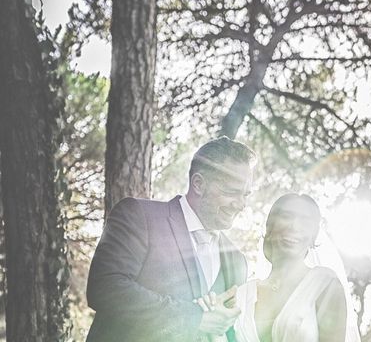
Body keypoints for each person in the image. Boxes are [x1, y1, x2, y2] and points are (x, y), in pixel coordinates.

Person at [86, 136, 257, 342]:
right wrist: (194, 318)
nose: (240, 204)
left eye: (246, 195)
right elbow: (105, 287)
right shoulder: (140, 216)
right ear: (198, 184)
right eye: (232, 192)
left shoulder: (236, 260)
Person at [219, 194, 352, 342]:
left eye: (305, 221)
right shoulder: (243, 295)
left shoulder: (325, 284)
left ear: (313, 236)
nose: (295, 226)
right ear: (270, 227)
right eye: (287, 217)